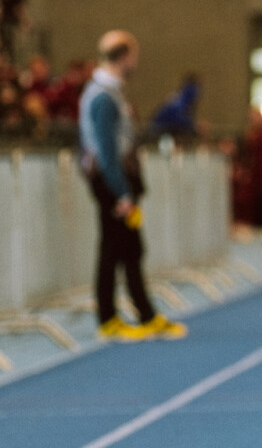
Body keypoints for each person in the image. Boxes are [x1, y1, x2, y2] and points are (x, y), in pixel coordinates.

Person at [79, 30, 186, 342]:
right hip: (113, 182)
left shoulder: (109, 92)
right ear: (124, 57)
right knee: (114, 250)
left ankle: (144, 314)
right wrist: (122, 192)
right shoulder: (103, 96)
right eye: (134, 57)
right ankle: (110, 318)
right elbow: (106, 150)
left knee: (129, 250)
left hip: (116, 180)